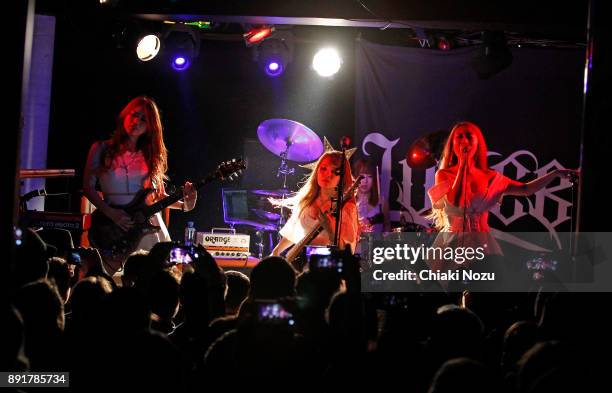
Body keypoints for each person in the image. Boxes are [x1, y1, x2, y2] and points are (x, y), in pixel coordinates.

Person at [427, 121, 577, 288]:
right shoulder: (444, 174)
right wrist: (463, 164)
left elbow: (526, 189)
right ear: (452, 144)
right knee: (452, 291)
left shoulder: (491, 177)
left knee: (490, 290)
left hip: (482, 242)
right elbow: (457, 202)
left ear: (478, 143)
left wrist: (555, 174)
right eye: (459, 136)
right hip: (452, 242)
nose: (464, 140)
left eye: (469, 136)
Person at [83, 96, 197, 274]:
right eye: (134, 115)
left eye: (144, 119)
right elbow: (88, 188)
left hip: (147, 227)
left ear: (150, 126)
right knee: (104, 281)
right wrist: (112, 214)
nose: (137, 121)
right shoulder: (100, 148)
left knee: (154, 282)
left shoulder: (150, 155)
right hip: (113, 227)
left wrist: (186, 205)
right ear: (124, 116)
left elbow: (157, 197)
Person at [271, 149, 360, 258]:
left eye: (334, 172)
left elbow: (347, 250)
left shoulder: (346, 207)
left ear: (342, 177)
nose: (328, 175)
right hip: (304, 262)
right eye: (323, 168)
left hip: (328, 265)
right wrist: (276, 252)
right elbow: (293, 231)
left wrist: (330, 228)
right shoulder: (308, 200)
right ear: (317, 170)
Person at [352, 157, 386, 233]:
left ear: (374, 179)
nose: (365, 181)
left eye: (369, 176)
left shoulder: (381, 201)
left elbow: (387, 227)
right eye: (362, 176)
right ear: (355, 177)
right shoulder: (349, 201)